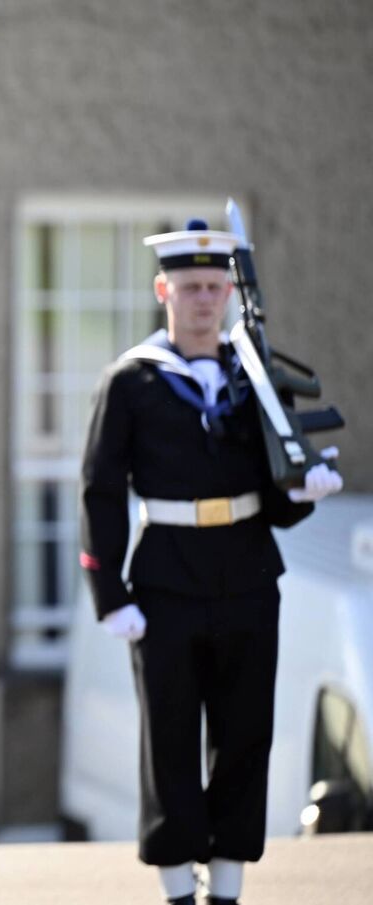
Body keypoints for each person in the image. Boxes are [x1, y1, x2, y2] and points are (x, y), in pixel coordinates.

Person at [78, 219, 343, 905]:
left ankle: (227, 886)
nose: (203, 300)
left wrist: (305, 492)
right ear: (163, 291)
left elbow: (276, 495)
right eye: (190, 286)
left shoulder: (258, 377)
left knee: (244, 734)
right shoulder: (131, 380)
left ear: (230, 293)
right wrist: (109, 591)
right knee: (168, 737)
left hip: (248, 574)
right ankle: (176, 887)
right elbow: (101, 488)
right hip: (164, 579)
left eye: (214, 287)